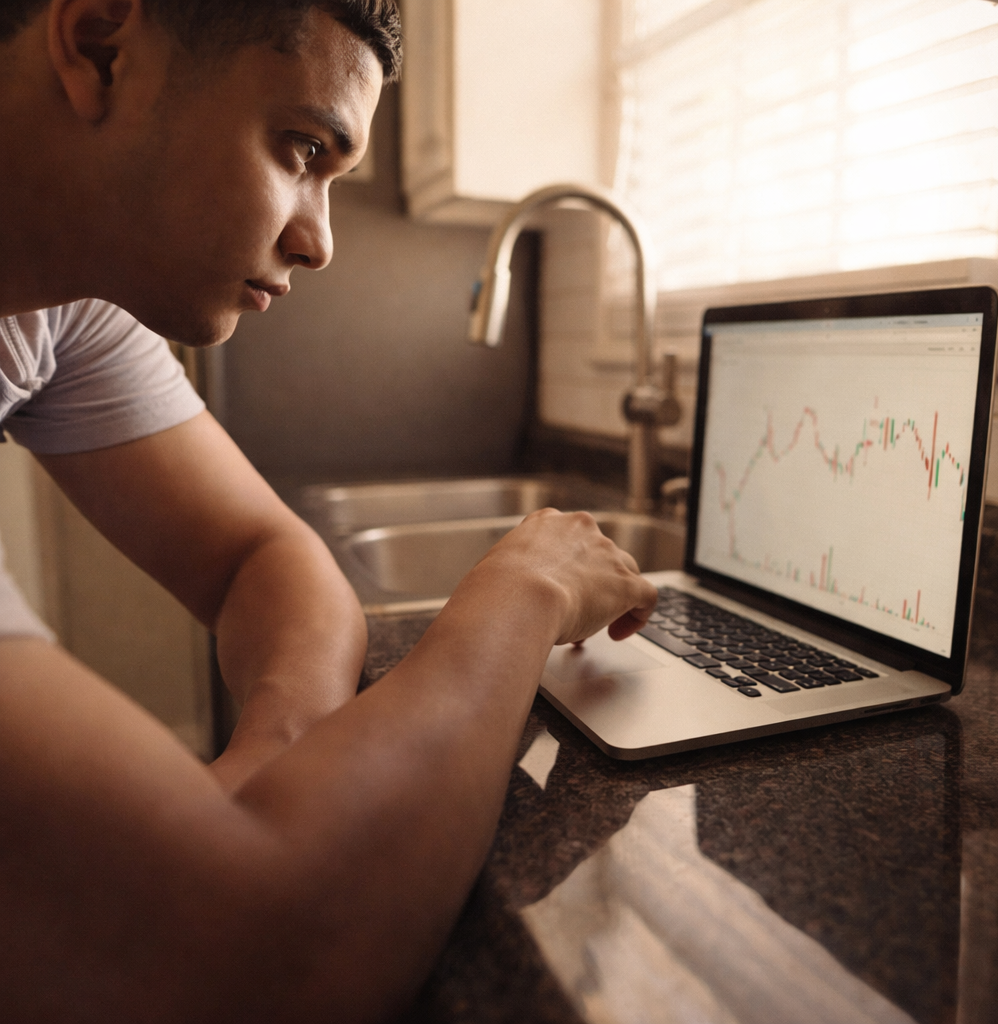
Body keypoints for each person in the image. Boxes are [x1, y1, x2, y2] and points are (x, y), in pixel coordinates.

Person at [0, 1, 658, 1020]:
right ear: (100, 48)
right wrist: (523, 589)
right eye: (301, 147)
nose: (318, 241)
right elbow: (261, 956)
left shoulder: (52, 304)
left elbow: (263, 558)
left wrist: (272, 755)